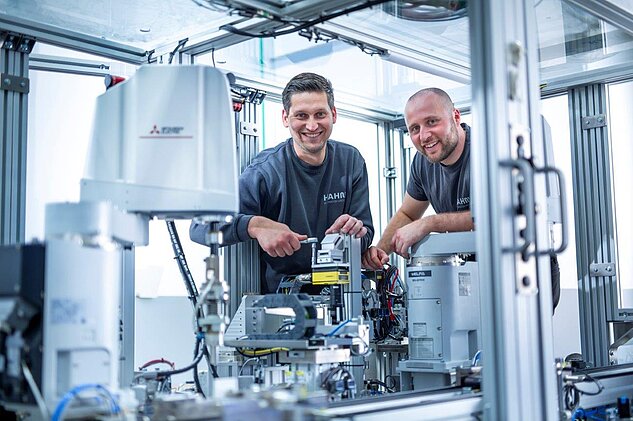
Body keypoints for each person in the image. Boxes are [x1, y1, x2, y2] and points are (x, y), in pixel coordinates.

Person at [362, 87, 560, 310]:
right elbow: (408, 214)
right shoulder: (421, 162)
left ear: (455, 116)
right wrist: (379, 254)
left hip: (523, 270)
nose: (424, 135)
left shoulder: (491, 150)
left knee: (519, 343)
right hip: (474, 271)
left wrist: (429, 224)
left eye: (432, 122)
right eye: (414, 128)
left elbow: (496, 215)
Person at [190, 72, 374, 294]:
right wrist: (255, 226)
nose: (312, 125)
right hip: (283, 305)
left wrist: (355, 234)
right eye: (301, 116)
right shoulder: (266, 171)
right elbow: (200, 227)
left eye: (320, 114)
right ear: (285, 118)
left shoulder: (351, 161)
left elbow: (367, 233)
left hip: (343, 298)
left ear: (333, 114)